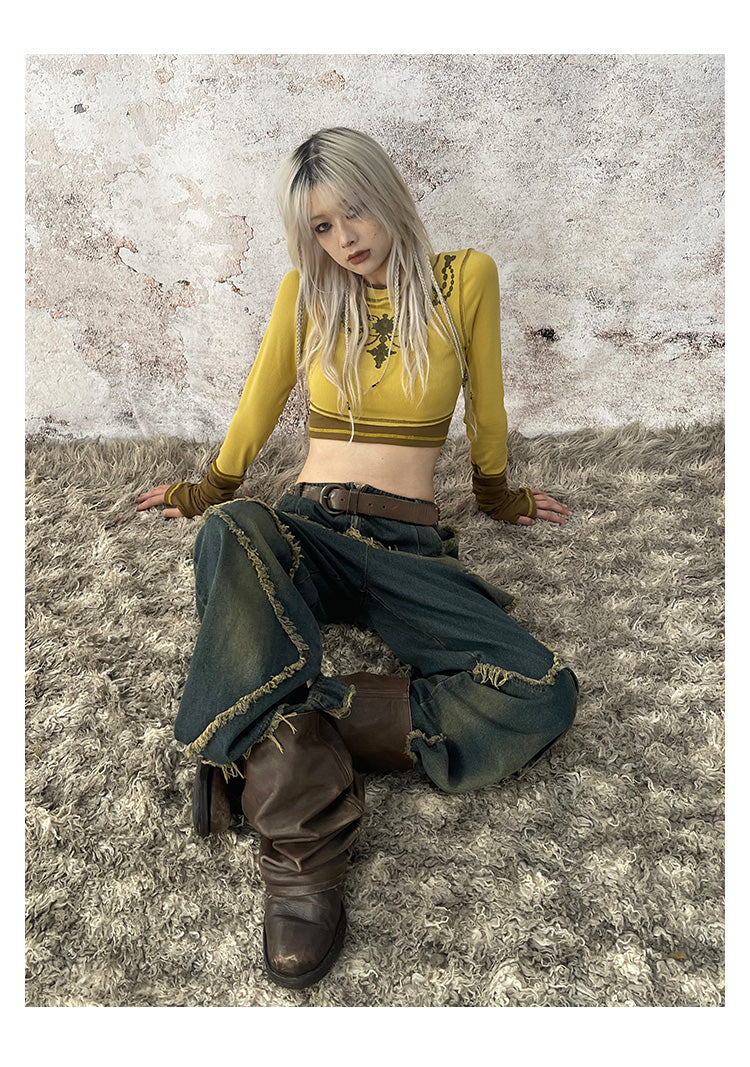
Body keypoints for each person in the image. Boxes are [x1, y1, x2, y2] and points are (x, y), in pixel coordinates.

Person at [137, 127, 578, 990]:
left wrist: (498, 495)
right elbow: (262, 395)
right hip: (311, 529)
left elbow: (487, 407)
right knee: (231, 533)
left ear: (389, 193)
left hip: (411, 546)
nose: (345, 238)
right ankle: (303, 854)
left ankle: (286, 731)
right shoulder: (307, 291)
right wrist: (209, 487)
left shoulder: (464, 279)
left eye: (355, 212)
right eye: (322, 227)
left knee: (542, 690)